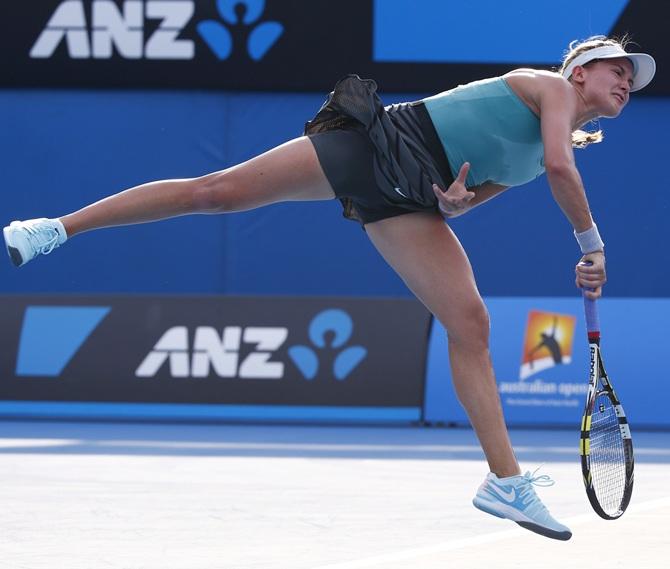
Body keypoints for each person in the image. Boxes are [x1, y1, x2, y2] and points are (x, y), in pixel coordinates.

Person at [3, 36, 656, 541]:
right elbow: (565, 172)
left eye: (632, 80)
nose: (626, 82)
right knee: (218, 192)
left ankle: (506, 481)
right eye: (617, 70)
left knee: (470, 325)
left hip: (410, 197)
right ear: (580, 72)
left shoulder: (548, 148)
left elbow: (469, 199)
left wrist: (456, 201)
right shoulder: (547, 89)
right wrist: (592, 244)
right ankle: (55, 229)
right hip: (379, 146)